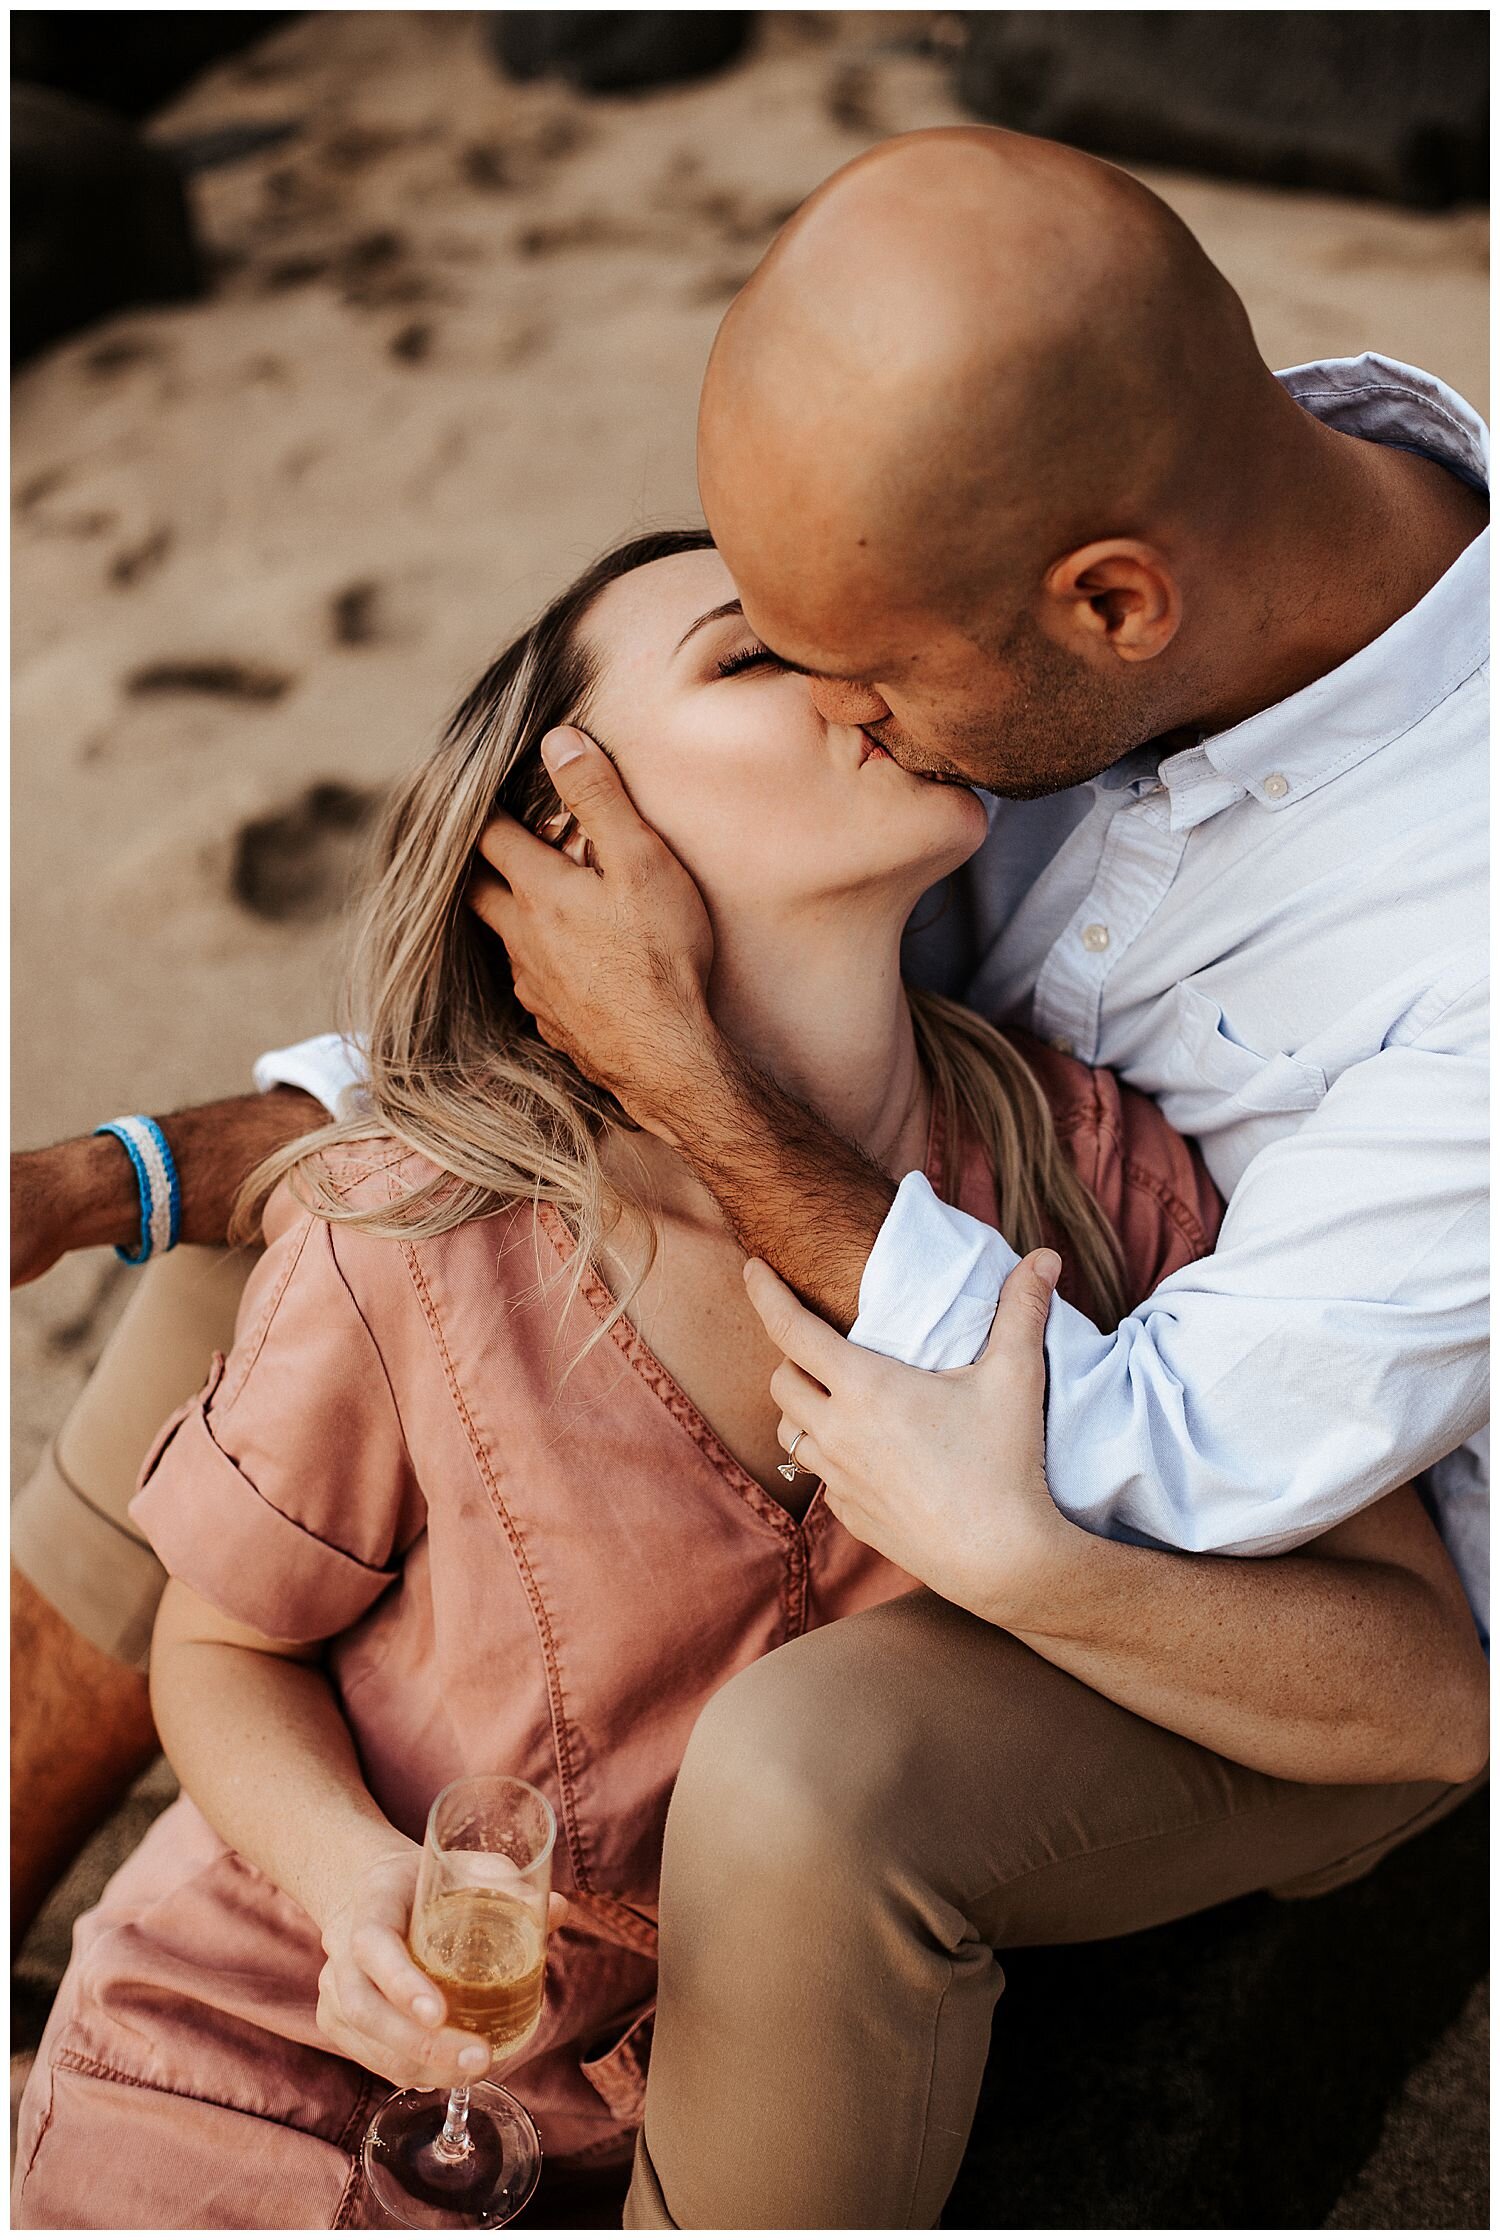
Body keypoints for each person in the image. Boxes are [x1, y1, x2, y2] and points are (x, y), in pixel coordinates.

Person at [10, 125, 1487, 2224]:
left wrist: (694, 1099)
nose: (857, 708)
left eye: (858, 665)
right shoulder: (1116, 511)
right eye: (768, 646)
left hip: (1229, 1547)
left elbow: (1190, 1468)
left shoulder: (1398, 972)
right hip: (263, 2024)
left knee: (801, 1766)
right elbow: (497, 1091)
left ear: (1110, 606)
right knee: (282, 1264)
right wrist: (152, 1167)